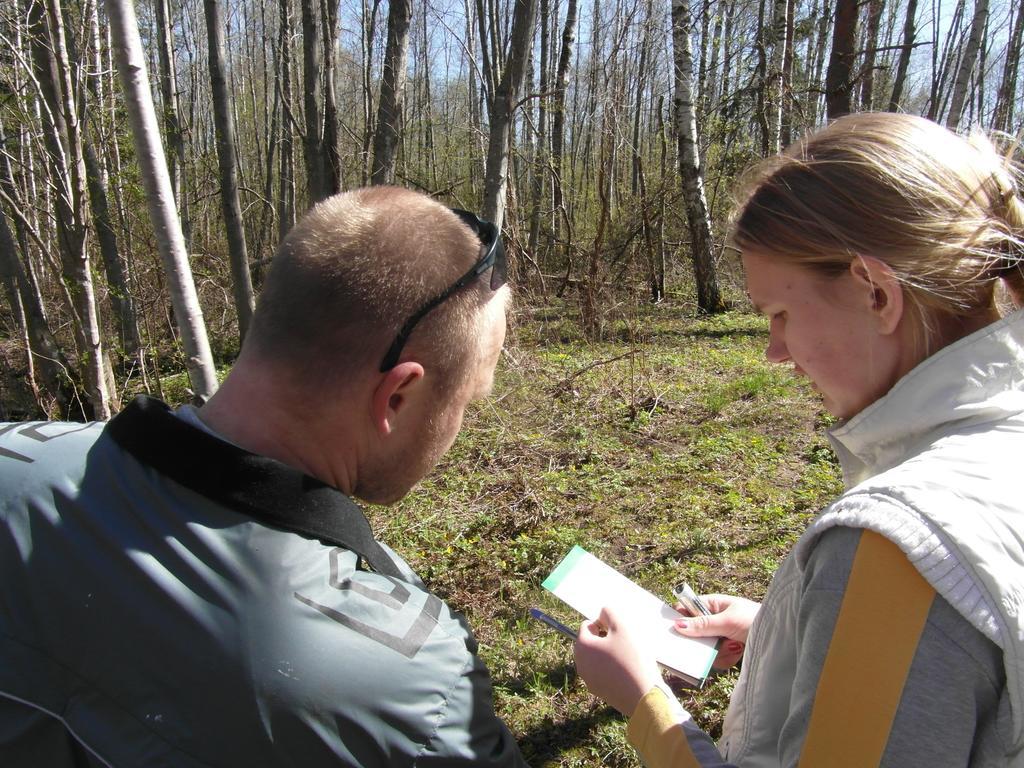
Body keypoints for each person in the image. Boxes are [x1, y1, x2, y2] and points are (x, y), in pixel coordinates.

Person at [0, 187, 528, 767]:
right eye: (467, 401)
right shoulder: (415, 686)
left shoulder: (10, 455)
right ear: (397, 396)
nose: (458, 429)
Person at [573, 112, 1024, 766]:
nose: (774, 353)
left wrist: (644, 701)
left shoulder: (897, 546)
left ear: (875, 293)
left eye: (780, 314)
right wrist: (784, 631)